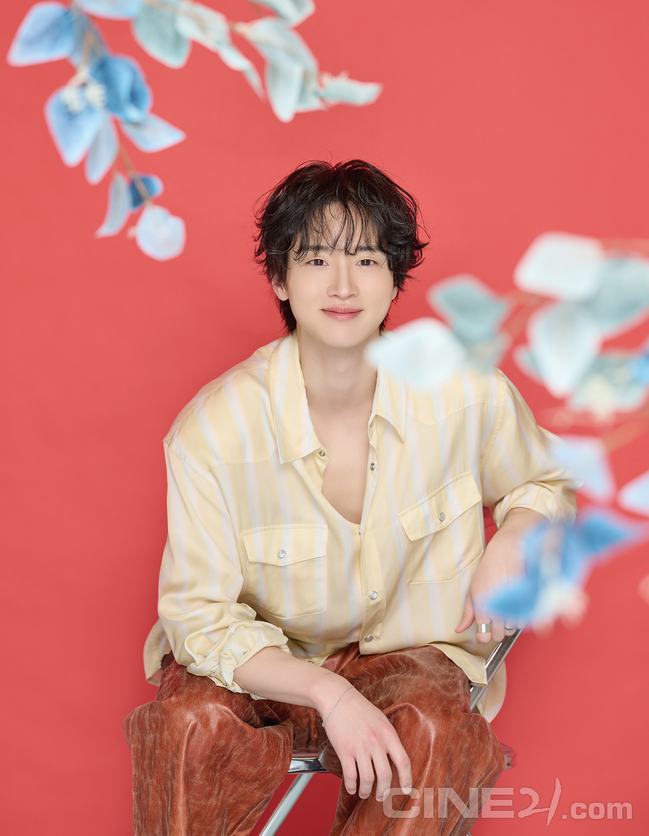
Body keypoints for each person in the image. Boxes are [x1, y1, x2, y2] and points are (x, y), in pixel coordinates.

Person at [123, 160, 579, 836]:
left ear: (395, 277)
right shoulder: (212, 431)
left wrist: (516, 533)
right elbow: (199, 617)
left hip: (409, 659)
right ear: (280, 278)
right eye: (316, 259)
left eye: (366, 259)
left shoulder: (464, 390)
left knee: (435, 729)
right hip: (267, 665)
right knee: (189, 723)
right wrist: (326, 691)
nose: (343, 285)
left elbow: (551, 479)